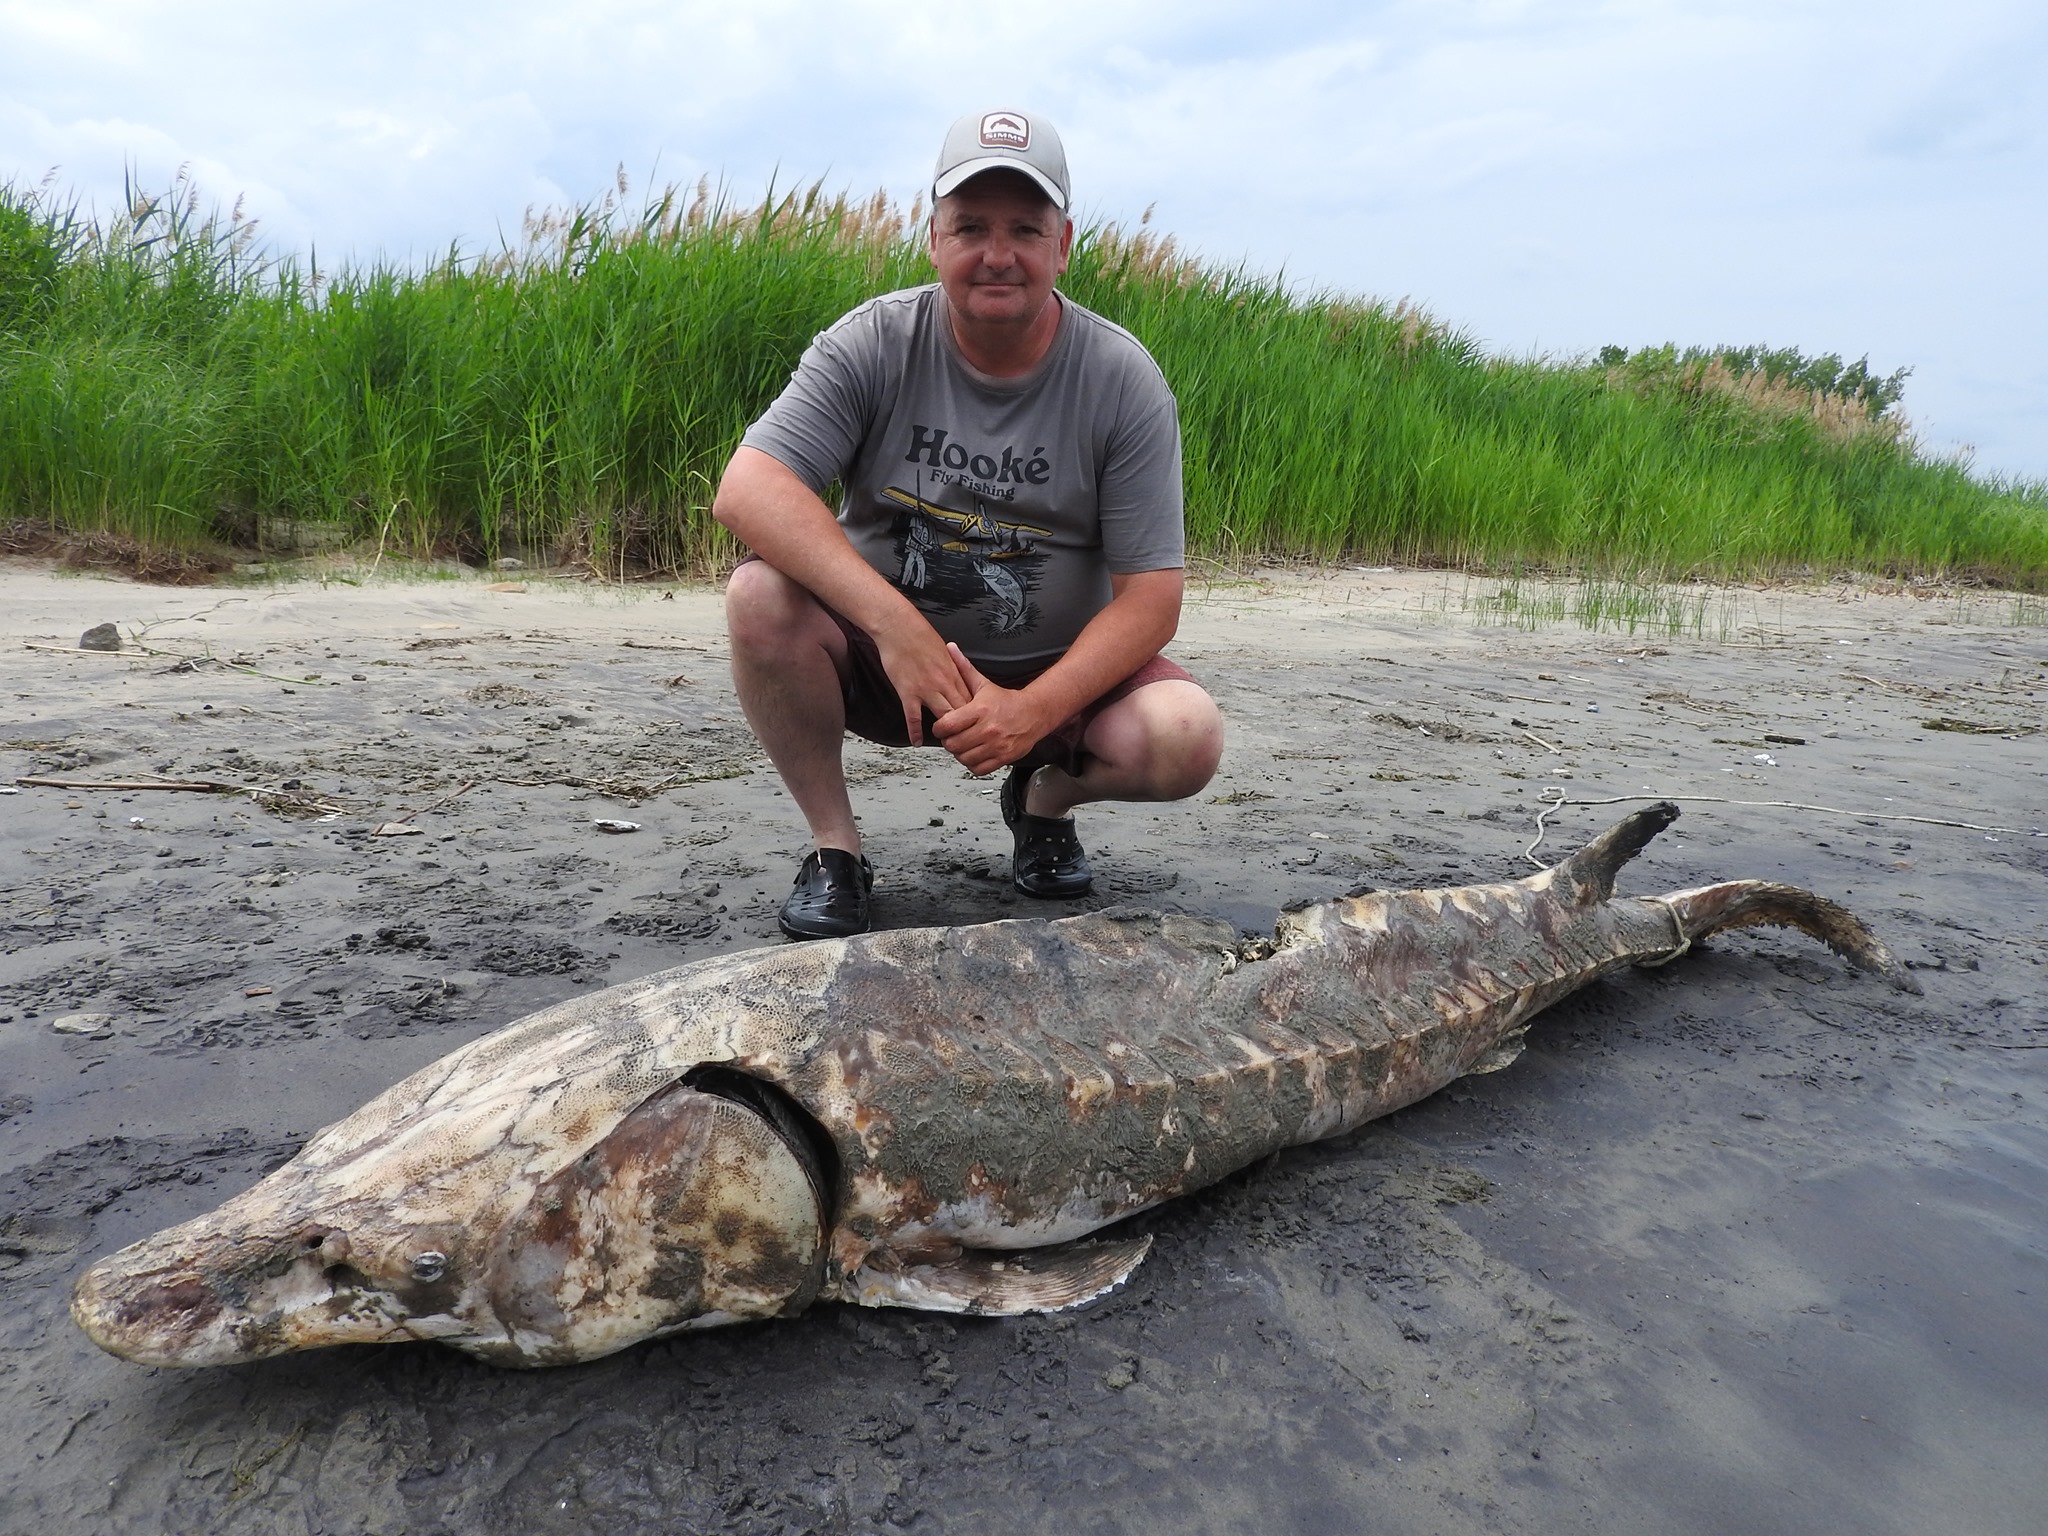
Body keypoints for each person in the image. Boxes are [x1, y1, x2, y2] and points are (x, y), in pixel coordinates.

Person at [713, 108, 1224, 940]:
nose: (998, 254)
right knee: (758, 598)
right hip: (891, 670)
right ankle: (835, 850)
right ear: (933, 237)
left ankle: (1042, 800)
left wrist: (1033, 710)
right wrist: (895, 627)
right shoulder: (872, 342)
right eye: (971, 226)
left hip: (1057, 675)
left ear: (1063, 245)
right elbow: (748, 488)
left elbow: (1151, 599)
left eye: (1026, 228)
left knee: (1184, 736)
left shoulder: (1122, 378)